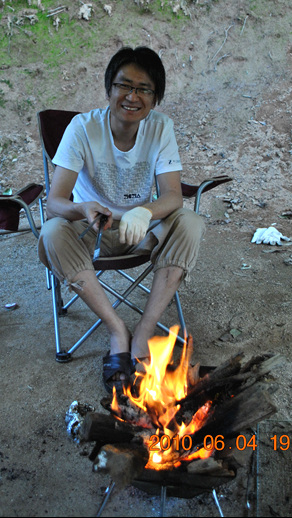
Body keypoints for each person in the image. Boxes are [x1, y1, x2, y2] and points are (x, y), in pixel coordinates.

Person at [38, 46, 205, 393]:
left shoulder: (161, 128)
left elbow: (173, 195)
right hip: (93, 230)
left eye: (144, 89)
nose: (132, 96)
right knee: (52, 231)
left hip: (141, 230)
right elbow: (55, 202)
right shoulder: (83, 128)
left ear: (155, 98)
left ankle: (143, 332)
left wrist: (145, 212)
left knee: (190, 222)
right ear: (109, 89)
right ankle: (117, 331)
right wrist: (83, 208)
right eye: (124, 85)